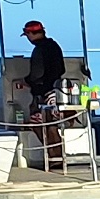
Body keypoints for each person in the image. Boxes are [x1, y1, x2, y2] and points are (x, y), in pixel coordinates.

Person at [22, 19, 68, 165]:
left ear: (31, 33)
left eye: (27, 35)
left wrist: (27, 81)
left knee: (36, 123)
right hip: (56, 92)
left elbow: (36, 74)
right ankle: (58, 157)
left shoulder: (39, 50)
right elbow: (62, 69)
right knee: (52, 126)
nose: (28, 38)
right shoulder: (54, 46)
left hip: (44, 94)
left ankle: (52, 155)